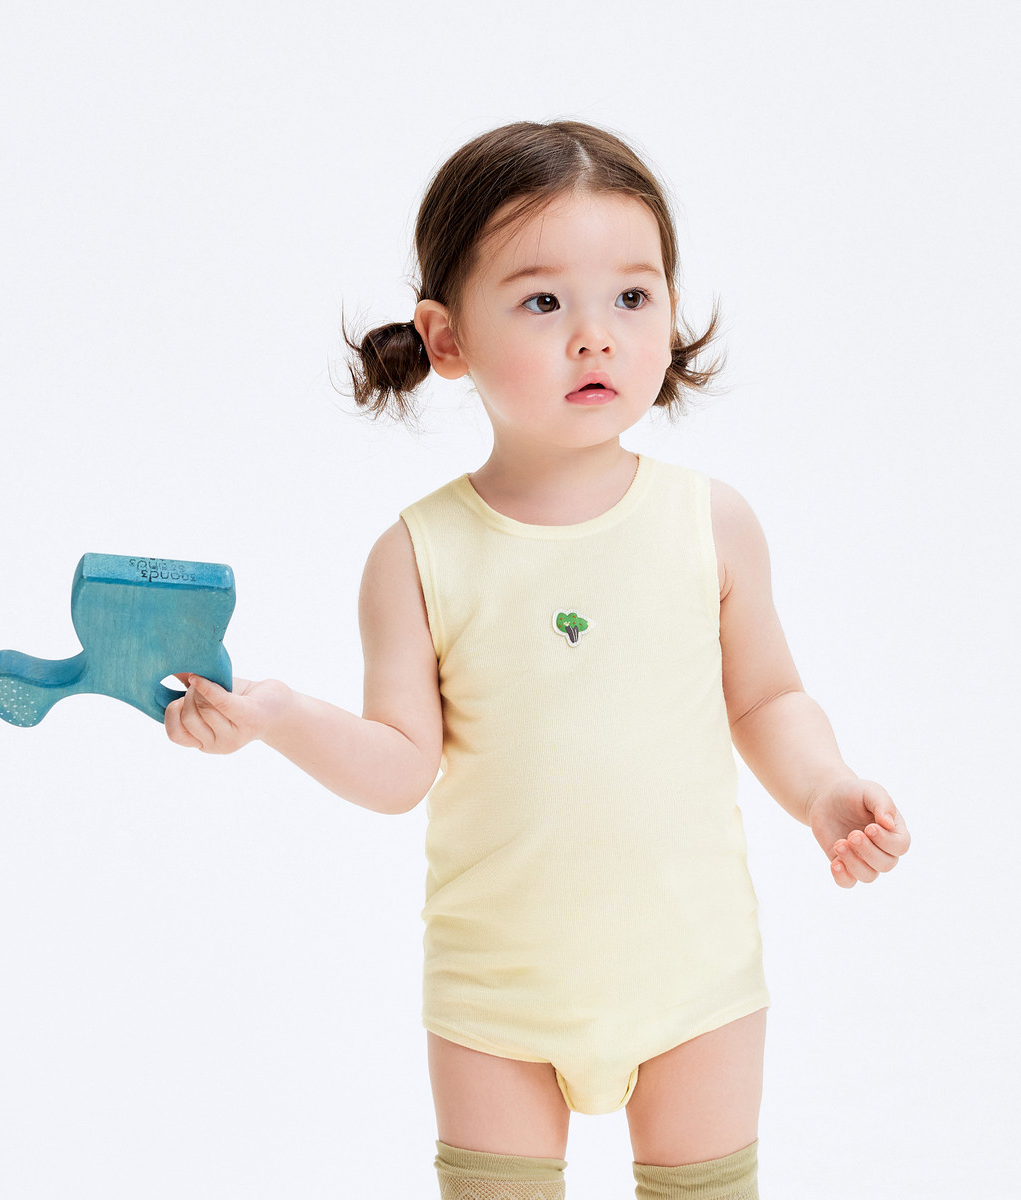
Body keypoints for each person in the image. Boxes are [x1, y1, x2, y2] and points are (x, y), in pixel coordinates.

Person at [164, 119, 911, 1200]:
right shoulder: (418, 554)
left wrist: (825, 788)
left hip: (695, 978)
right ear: (447, 337)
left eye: (632, 296)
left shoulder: (711, 524)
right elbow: (400, 767)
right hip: (495, 996)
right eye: (544, 302)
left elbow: (767, 699)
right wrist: (276, 714)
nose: (596, 337)